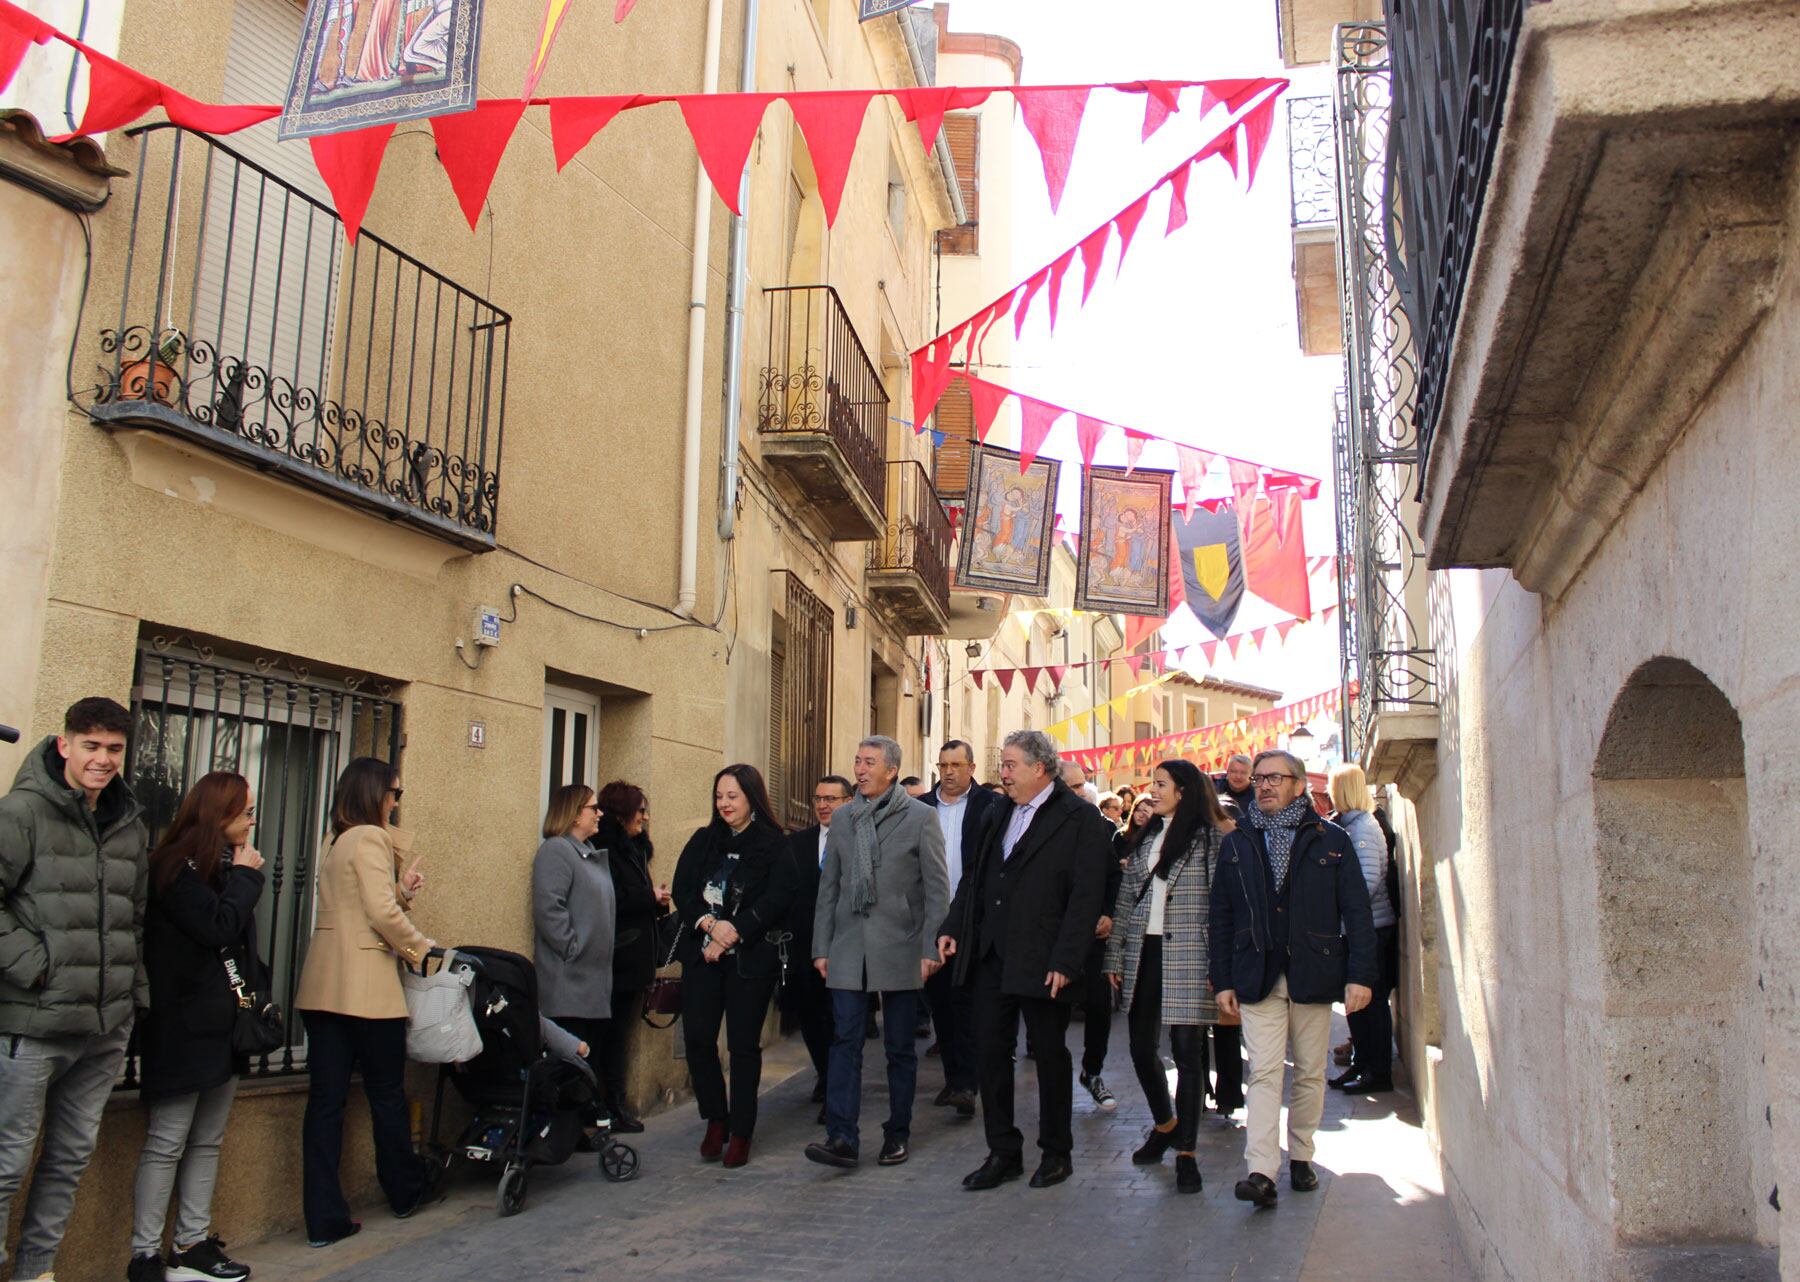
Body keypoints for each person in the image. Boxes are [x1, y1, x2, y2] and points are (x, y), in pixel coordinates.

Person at [0, 698, 148, 1282]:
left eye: (114, 748)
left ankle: (36, 1272)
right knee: (6, 1163)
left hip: (103, 1030)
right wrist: (37, 967)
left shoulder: (129, 824)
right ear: (65, 745)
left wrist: (131, 998)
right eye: (91, 746)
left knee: (66, 1162)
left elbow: (132, 919)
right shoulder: (21, 813)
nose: (103, 759)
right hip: (32, 1025)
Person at [937, 730, 1109, 1191]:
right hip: (992, 955)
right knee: (991, 1054)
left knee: (1049, 1055)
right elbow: (974, 879)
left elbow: (1085, 897)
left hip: (1045, 959)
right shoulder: (997, 811)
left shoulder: (1080, 819)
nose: (1003, 774)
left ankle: (1056, 1151)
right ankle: (1003, 1151)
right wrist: (953, 927)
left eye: (1010, 765)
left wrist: (1068, 959)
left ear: (1040, 768)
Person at [1211, 750, 1377, 1208]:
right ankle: (1261, 1170)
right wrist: (1221, 977)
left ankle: (1302, 1155)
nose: (1263, 786)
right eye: (1258, 779)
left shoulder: (1332, 840)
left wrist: (1361, 975)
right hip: (1256, 972)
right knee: (1263, 1072)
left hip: (1315, 970)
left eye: (1274, 779)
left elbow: (1357, 912)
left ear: (1299, 786)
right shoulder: (1238, 842)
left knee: (1308, 1071)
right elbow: (1221, 915)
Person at [127, 771, 266, 1282]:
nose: (252, 820)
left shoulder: (215, 868)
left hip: (223, 1026)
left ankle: (191, 1243)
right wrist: (248, 878)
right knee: (167, 1140)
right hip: (182, 1027)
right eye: (245, 811)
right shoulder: (174, 868)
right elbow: (216, 927)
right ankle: (144, 1254)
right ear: (218, 813)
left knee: (207, 1139)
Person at [294, 756, 438, 1247]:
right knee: (387, 1096)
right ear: (375, 793)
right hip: (367, 992)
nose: (396, 803)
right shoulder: (371, 837)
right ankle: (404, 1191)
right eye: (393, 793)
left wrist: (401, 892)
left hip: (322, 985)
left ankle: (323, 1218)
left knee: (325, 1105)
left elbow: (359, 908)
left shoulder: (333, 841)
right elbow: (377, 914)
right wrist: (424, 952)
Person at [806, 739, 950, 1169]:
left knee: (898, 1047)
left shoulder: (921, 817)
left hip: (902, 945)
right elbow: (828, 886)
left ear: (891, 770)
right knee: (845, 1039)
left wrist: (931, 948)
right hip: (849, 946)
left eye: (869, 763)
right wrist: (821, 946)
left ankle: (897, 1133)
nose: (861, 769)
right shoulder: (845, 817)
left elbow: (937, 889)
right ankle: (841, 1136)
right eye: (857, 761)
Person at [1104, 761, 1237, 1195]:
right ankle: (1165, 1123)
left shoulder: (1210, 838)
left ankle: (1187, 1152)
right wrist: (1113, 959)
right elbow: (1126, 901)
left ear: (1183, 790)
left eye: (1161, 784)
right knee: (1141, 1049)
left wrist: (1223, 966)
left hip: (1191, 953)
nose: (1152, 791)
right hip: (1144, 952)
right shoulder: (1147, 839)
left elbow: (1224, 905)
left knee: (1187, 1052)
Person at [671, 765, 795, 1168]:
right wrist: (708, 925)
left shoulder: (775, 845)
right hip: (701, 957)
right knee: (698, 1040)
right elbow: (682, 891)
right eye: (719, 796)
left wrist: (735, 930)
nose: (724, 804)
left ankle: (741, 1131)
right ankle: (715, 1119)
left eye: (732, 796)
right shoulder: (704, 841)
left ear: (752, 799)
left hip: (748, 960)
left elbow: (779, 897)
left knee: (743, 1046)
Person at [533, 783, 619, 1140]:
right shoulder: (557, 851)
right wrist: (573, 949)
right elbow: (549, 908)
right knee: (572, 1061)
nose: (598, 813)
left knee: (590, 1057)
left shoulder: (587, 851)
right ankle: (571, 1131)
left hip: (593, 980)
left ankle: (585, 1127)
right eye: (592, 807)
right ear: (572, 814)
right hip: (570, 980)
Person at [920, 740, 998, 1119]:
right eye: (943, 764)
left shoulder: (990, 806)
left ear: (972, 766)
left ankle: (968, 1083)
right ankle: (954, 1079)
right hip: (931, 921)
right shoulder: (920, 807)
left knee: (967, 1002)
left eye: (957, 764)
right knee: (942, 1005)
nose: (949, 772)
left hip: (974, 920)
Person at [596, 780, 667, 1133]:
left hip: (636, 957)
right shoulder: (606, 850)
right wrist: (649, 897)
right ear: (623, 812)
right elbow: (613, 902)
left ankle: (614, 1105)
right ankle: (610, 1107)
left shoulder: (634, 848)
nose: (645, 817)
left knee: (620, 1035)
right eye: (640, 810)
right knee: (612, 1037)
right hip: (618, 958)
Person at [784, 775, 854, 1116]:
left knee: (841, 1020)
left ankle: (836, 1090)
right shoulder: (798, 843)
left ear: (849, 802)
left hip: (847, 947)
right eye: (818, 799)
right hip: (806, 948)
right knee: (811, 1017)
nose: (823, 805)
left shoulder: (861, 840)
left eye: (832, 799)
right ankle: (825, 1073)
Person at [1327, 764, 1398, 1095]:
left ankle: (1377, 1071)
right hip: (1358, 926)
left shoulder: (1363, 829)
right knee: (1358, 1005)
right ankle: (1362, 1062)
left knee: (1372, 1002)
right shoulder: (1351, 826)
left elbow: (1366, 882)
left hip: (1370, 927)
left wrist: (1333, 903)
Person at [1214, 753, 1256, 818]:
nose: (1238, 776)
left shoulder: (1257, 795)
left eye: (1243, 773)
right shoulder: (1215, 790)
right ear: (1227, 773)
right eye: (1234, 771)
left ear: (1251, 775)